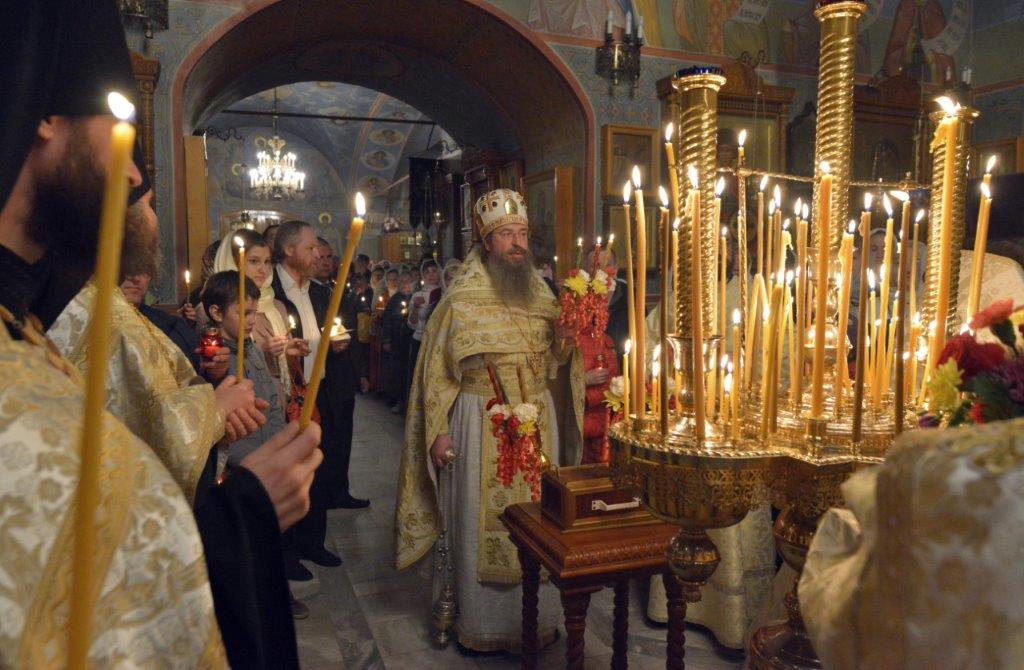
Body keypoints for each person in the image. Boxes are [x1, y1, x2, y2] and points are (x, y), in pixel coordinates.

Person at [0, 2, 321, 666]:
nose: (132, 175)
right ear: (46, 117)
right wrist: (248, 512)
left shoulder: (23, 324)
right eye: (115, 130)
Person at [395, 189, 581, 652]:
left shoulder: (542, 294)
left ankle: (535, 622)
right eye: (506, 234)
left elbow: (554, 361)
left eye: (522, 234)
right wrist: (438, 433)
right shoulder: (460, 299)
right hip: (479, 423)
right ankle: (479, 623)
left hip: (537, 423)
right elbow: (435, 372)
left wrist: (564, 339)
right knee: (478, 518)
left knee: (540, 521)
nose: (517, 244)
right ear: (486, 241)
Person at [272, 220, 369, 573]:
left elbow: (326, 332)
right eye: (311, 248)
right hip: (289, 396)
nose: (318, 255)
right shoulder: (271, 293)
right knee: (291, 476)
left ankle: (314, 543)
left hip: (322, 390)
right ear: (289, 250)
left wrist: (336, 342)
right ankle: (287, 553)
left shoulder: (318, 291)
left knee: (320, 471)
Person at [202, 271, 287, 469]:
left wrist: (279, 443)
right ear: (217, 313)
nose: (252, 320)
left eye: (254, 312)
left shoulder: (254, 350)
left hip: (269, 456)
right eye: (244, 313)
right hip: (237, 464)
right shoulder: (212, 361)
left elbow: (272, 402)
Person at [120, 269, 202, 373]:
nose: (135, 278)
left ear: (149, 278)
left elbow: (195, 371)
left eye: (142, 270)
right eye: (126, 269)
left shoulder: (172, 324)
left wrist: (215, 372)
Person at [383, 271, 414, 413]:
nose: (404, 284)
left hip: (410, 340)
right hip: (397, 340)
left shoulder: (415, 297)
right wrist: (387, 340)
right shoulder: (395, 299)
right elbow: (387, 320)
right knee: (398, 372)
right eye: (402, 281)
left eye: (407, 281)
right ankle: (398, 400)